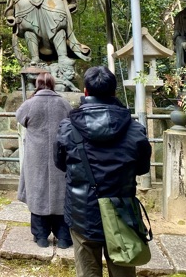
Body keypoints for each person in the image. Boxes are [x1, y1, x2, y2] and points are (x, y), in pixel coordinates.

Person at [54, 66, 151, 277]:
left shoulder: (68, 128)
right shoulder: (135, 130)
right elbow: (142, 168)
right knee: (123, 271)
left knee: (87, 271)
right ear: (114, 92)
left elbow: (60, 164)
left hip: (82, 212)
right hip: (122, 212)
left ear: (85, 91)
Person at [17, 72, 73, 249]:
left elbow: (19, 118)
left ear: (37, 84)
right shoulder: (64, 103)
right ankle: (63, 237)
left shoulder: (30, 104)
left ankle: (41, 236)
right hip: (60, 157)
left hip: (36, 157)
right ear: (53, 84)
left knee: (37, 193)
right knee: (60, 194)